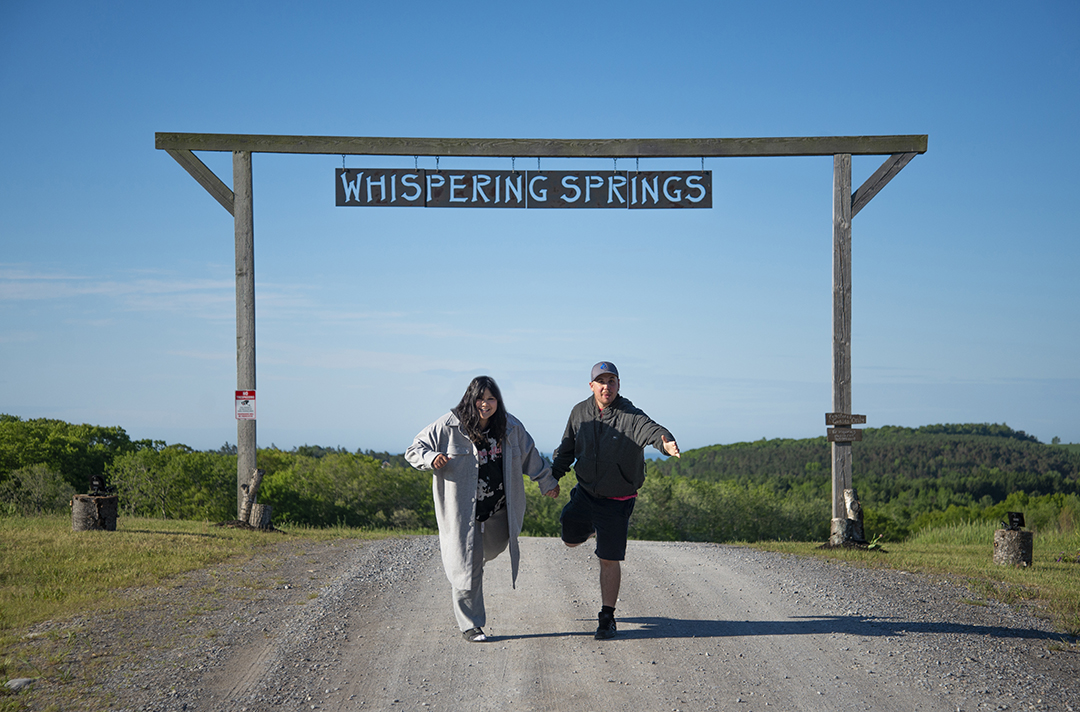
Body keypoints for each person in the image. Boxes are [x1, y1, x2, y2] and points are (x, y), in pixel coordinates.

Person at [405, 376, 560, 642]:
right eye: (480, 398)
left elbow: (530, 455)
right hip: (463, 513)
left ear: (497, 401)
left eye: (490, 399)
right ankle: (471, 625)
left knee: (494, 548)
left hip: (499, 509)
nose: (485, 404)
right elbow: (414, 449)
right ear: (470, 399)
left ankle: (472, 561)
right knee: (468, 565)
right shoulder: (448, 426)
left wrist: (547, 482)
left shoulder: (511, 427)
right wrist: (432, 458)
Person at [552, 361, 680, 639]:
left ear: (618, 384)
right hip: (585, 493)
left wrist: (666, 442)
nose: (606, 386)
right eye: (601, 381)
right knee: (569, 538)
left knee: (608, 558)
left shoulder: (630, 415)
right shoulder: (579, 412)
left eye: (612, 381)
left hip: (617, 500)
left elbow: (651, 430)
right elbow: (566, 449)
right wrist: (553, 477)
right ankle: (592, 528)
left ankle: (607, 618)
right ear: (592, 386)